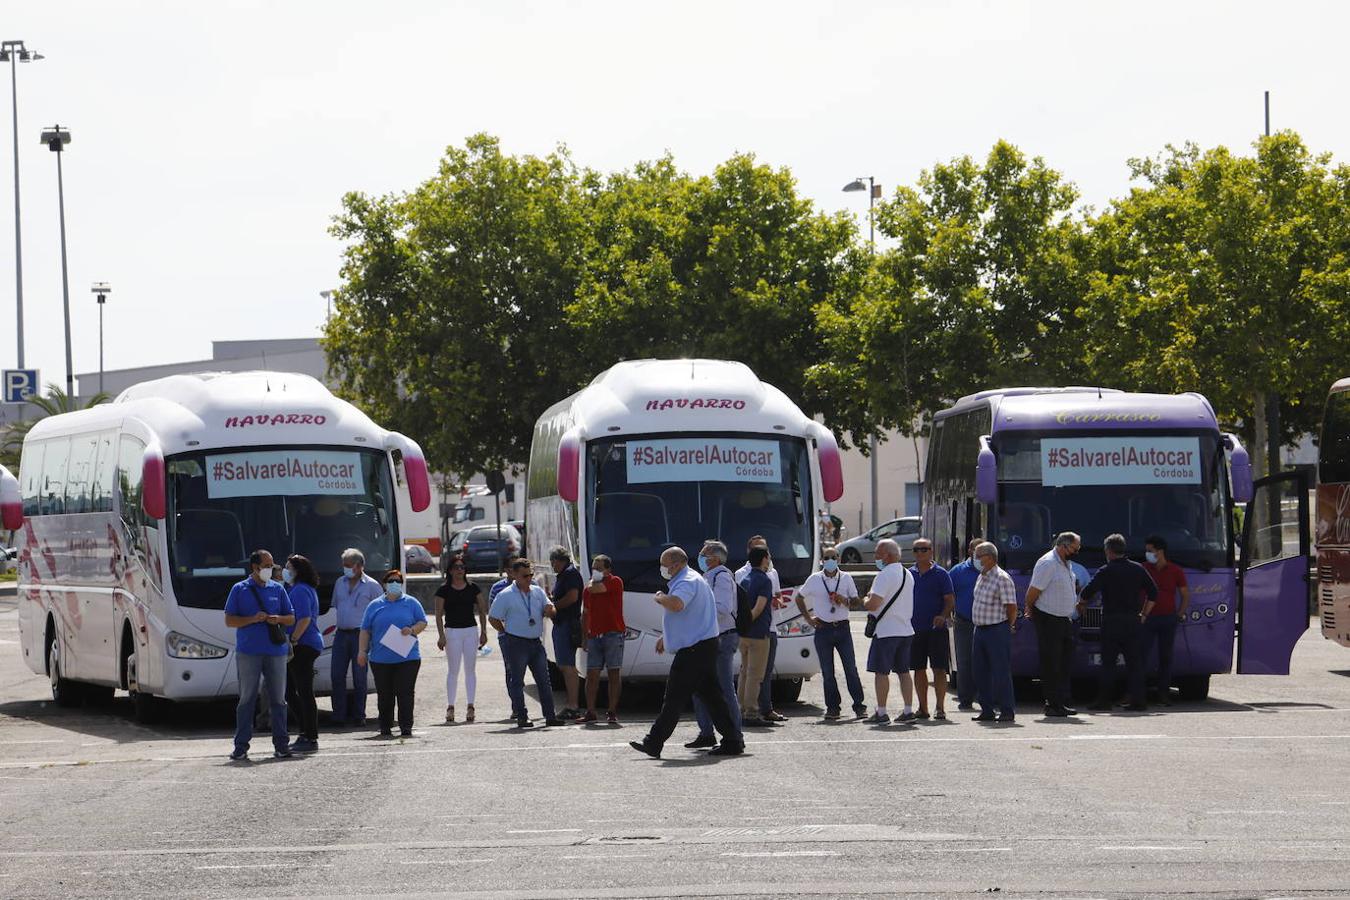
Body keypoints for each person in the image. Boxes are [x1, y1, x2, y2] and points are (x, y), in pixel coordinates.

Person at [629, 547, 743, 759]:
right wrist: (668, 637)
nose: (662, 569)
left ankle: (654, 742)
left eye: (665, 564)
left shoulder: (687, 581)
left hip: (694, 650)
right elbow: (691, 617)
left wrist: (661, 597)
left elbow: (677, 604)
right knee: (713, 698)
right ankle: (733, 740)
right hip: (702, 646)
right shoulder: (694, 579)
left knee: (674, 697)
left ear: (678, 563)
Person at [223, 550, 295, 761]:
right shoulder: (239, 589)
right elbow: (229, 620)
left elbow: (290, 618)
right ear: (255, 567)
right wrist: (252, 619)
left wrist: (277, 618)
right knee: (247, 699)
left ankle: (282, 745)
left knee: (278, 700)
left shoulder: (278, 589)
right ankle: (241, 746)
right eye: (266, 566)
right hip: (249, 652)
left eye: (271, 565)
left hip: (276, 651)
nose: (270, 569)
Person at [1081, 533, 1158, 712]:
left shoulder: (1106, 571)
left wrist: (1082, 603)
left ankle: (1104, 701)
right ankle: (1138, 701)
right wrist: (1144, 614)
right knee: (1135, 664)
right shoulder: (1138, 568)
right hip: (1133, 621)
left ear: (1108, 551)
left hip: (1112, 621)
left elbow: (1087, 592)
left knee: (1108, 663)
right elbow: (1154, 593)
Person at [488, 559, 564, 728]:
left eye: (530, 574)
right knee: (517, 681)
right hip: (516, 642)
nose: (529, 578)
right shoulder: (505, 595)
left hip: (535, 643)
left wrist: (551, 611)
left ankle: (550, 716)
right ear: (515, 575)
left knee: (544, 680)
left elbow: (550, 607)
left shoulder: (537, 591)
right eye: (525, 575)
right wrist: (505, 633)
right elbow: (493, 617)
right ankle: (522, 716)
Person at [796, 547, 866, 720]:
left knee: (851, 669)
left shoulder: (846, 578)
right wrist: (808, 619)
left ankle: (859, 706)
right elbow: (799, 597)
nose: (829, 560)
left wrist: (844, 600)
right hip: (823, 629)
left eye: (832, 557)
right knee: (828, 672)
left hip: (842, 628)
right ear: (822, 560)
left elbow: (857, 602)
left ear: (838, 558)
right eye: (826, 558)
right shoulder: (815, 579)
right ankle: (833, 708)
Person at [357, 569, 428, 737]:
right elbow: (365, 630)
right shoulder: (374, 605)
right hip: (381, 659)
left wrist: (411, 630)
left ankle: (406, 727)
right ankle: (385, 727)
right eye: (391, 581)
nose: (395, 584)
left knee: (405, 693)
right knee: (385, 695)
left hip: (408, 658)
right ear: (384, 584)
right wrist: (361, 651)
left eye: (398, 581)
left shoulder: (411, 602)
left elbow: (422, 622)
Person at [689, 540, 743, 748]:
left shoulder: (721, 576)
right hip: (708, 638)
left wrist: (699, 606)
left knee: (724, 688)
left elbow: (723, 607)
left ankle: (734, 734)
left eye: (704, 553)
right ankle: (706, 733)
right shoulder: (706, 576)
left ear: (715, 558)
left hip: (722, 637)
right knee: (699, 687)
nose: (700, 557)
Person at [1023, 532, 1082, 718]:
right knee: (1051, 664)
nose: (1077, 551)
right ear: (1063, 546)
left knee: (1063, 664)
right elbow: (1032, 592)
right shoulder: (1048, 563)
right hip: (1049, 618)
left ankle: (1061, 701)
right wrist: (1030, 609)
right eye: (1075, 548)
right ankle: (1052, 704)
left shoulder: (1066, 563)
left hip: (1064, 618)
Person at [863, 539, 916, 724]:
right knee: (903, 672)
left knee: (881, 672)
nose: (876, 556)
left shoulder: (884, 575)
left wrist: (865, 600)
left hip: (886, 631)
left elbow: (873, 604)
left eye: (878, 553)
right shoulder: (907, 574)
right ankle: (908, 711)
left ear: (888, 555)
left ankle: (882, 712)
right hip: (905, 629)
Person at [330, 548, 383, 727]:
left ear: (359, 566)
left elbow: (379, 611)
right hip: (341, 634)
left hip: (361, 635)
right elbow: (336, 605)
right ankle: (338, 715)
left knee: (360, 677)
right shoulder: (339, 582)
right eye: (344, 565)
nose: (345, 569)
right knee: (337, 676)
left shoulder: (372, 585)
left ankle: (359, 715)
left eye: (348, 566)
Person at [736, 535, 787, 723]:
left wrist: (742, 625)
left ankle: (741, 708)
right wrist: (749, 622)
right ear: (764, 559)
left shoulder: (746, 580)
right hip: (758, 634)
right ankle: (751, 711)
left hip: (744, 633)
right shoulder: (764, 579)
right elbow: (758, 608)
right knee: (755, 675)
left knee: (744, 672)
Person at [970, 541, 1018, 723]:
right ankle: (987, 710)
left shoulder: (1002, 578)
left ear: (989, 558)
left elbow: (1011, 607)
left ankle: (1007, 710)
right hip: (980, 630)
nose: (975, 560)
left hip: (997, 629)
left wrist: (1008, 625)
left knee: (1000, 671)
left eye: (978, 556)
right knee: (980, 671)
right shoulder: (981, 576)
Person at [435, 554, 487, 724]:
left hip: (470, 631)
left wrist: (484, 631)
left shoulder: (473, 587)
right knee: (453, 670)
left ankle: (471, 705)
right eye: (456, 567)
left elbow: (481, 609)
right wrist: (441, 635)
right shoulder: (443, 590)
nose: (459, 570)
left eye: (462, 567)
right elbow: (438, 614)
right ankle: (450, 706)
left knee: (470, 670)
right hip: (452, 632)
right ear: (449, 570)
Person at [908, 537, 955, 720]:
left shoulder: (941, 574)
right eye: (916, 549)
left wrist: (943, 616)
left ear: (931, 551)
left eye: (924, 549)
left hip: (937, 630)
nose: (920, 553)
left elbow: (950, 600)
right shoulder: (908, 574)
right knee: (918, 669)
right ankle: (923, 708)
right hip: (915, 629)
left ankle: (940, 708)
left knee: (939, 669)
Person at [1142, 535, 1190, 705]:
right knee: (1141, 656)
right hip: (1147, 619)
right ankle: (1137, 693)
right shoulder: (1143, 568)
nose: (1147, 554)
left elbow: (1185, 595)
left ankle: (1163, 693)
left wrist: (1179, 614)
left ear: (1160, 551)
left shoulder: (1175, 570)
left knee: (1166, 658)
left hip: (1168, 619)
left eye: (1150, 551)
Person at [283, 554, 323, 753]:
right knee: (291, 690)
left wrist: (293, 640)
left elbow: (304, 618)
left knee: (303, 692)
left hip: (303, 645)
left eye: (288, 567)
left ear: (297, 570)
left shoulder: (299, 590)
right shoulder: (302, 588)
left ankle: (310, 736)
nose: (285, 570)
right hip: (306, 644)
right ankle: (305, 732)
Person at [582, 554, 625, 725]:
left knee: (614, 673)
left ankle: (612, 711)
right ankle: (590, 711)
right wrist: (585, 636)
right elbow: (585, 613)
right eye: (594, 567)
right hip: (595, 635)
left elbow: (597, 589)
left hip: (613, 634)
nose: (595, 571)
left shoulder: (615, 581)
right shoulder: (588, 588)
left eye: (599, 568)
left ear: (608, 570)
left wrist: (593, 581)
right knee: (592, 674)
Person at [548, 546, 586, 719]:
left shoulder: (570, 574)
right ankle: (572, 704)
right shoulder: (565, 574)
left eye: (552, 562)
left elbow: (572, 597)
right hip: (563, 623)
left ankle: (573, 705)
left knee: (567, 666)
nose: (552, 565)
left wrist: (554, 606)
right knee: (565, 665)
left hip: (567, 624)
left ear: (558, 560)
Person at [948, 538, 983, 711]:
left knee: (986, 661)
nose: (979, 555)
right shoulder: (957, 571)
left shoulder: (991, 570)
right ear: (969, 551)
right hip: (964, 622)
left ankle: (986, 698)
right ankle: (966, 699)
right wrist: (947, 614)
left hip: (987, 622)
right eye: (976, 550)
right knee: (964, 662)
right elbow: (947, 594)